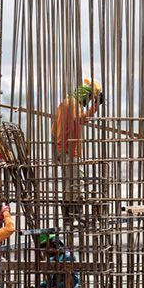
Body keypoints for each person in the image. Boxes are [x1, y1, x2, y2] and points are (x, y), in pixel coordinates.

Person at [52, 77, 104, 225]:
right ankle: (76, 212)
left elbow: (54, 129)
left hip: (62, 148)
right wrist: (95, 107)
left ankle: (68, 215)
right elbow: (80, 119)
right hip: (69, 149)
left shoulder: (65, 102)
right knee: (77, 180)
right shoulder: (73, 104)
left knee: (69, 182)